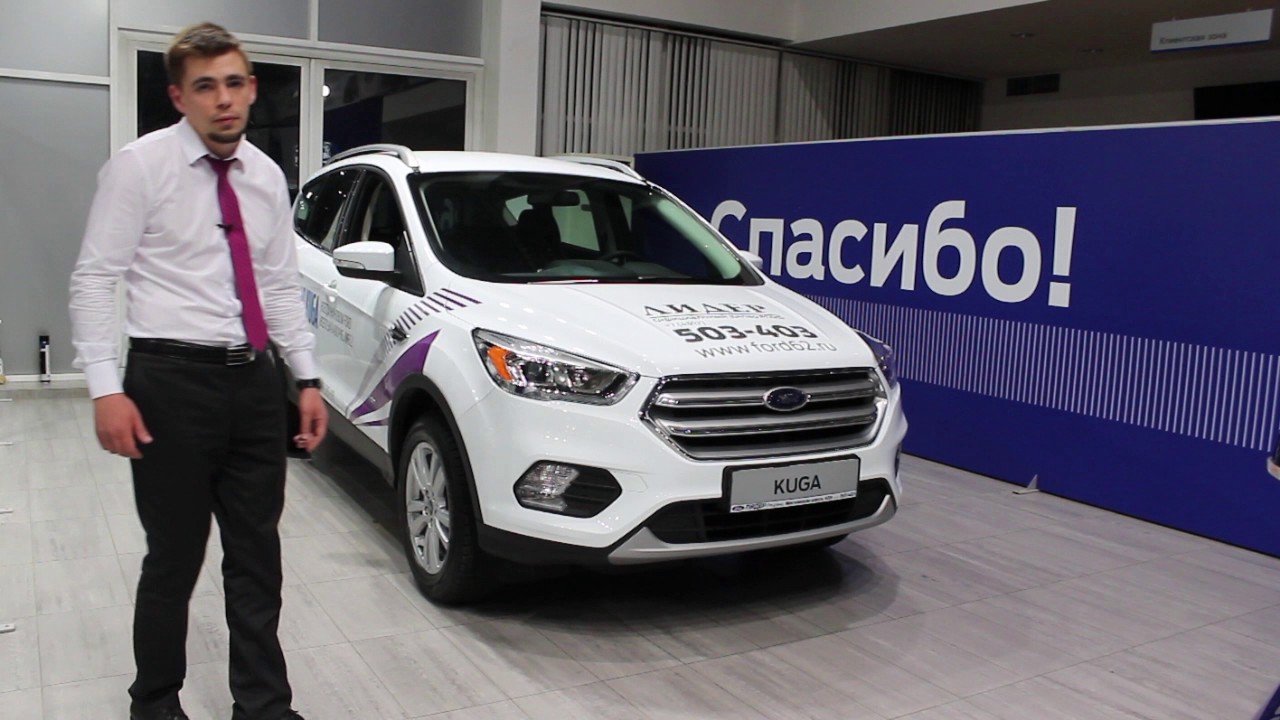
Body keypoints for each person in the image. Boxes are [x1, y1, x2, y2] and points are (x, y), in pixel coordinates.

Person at [68, 22, 326, 720]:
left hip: (255, 384)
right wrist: (105, 388)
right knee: (174, 558)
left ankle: (263, 706)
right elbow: (94, 278)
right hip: (168, 384)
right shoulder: (139, 167)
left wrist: (305, 378)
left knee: (257, 557)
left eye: (235, 83)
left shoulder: (266, 178)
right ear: (180, 97)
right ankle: (154, 703)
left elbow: (278, 286)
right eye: (206, 87)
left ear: (252, 88)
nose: (224, 99)